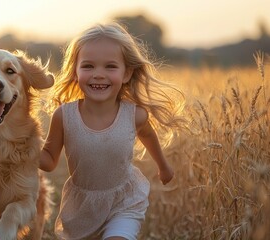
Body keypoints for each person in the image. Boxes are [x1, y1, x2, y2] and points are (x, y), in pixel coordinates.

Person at [39, 22, 187, 240]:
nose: (99, 74)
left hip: (124, 201)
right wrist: (22, 148)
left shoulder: (134, 115)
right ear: (75, 72)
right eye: (88, 66)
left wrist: (163, 166)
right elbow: (49, 161)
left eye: (110, 67)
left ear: (126, 73)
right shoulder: (64, 116)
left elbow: (147, 134)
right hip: (82, 207)